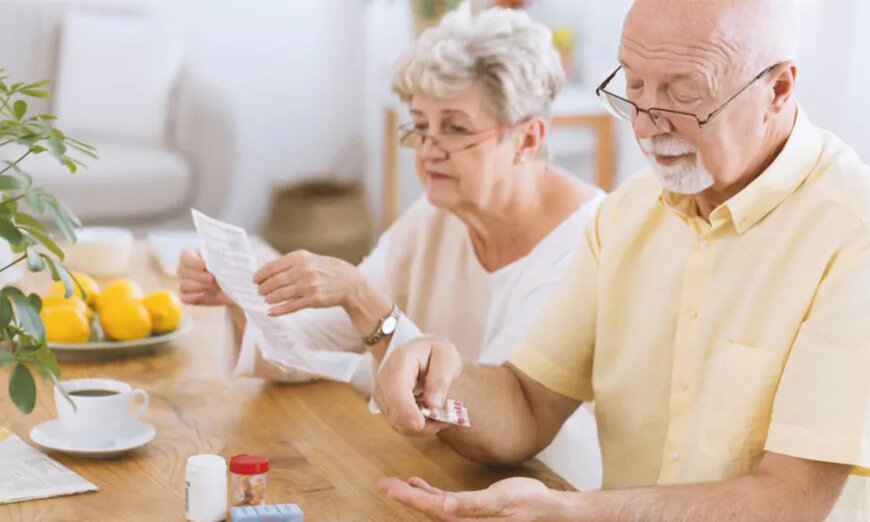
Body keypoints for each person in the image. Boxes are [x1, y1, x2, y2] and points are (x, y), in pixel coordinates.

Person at [374, 0, 870, 520]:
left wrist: (574, 510)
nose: (648, 125)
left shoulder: (852, 235)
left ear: (779, 89)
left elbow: (789, 500)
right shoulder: (627, 213)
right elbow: (526, 403)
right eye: (633, 87)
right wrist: (438, 377)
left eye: (683, 92)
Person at [177, 7, 604, 484]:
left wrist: (364, 301)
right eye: (420, 125)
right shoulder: (437, 215)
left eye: (455, 127)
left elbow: (503, 431)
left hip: (541, 489)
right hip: (438, 471)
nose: (428, 149)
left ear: (527, 137)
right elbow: (314, 348)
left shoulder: (586, 242)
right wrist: (243, 295)